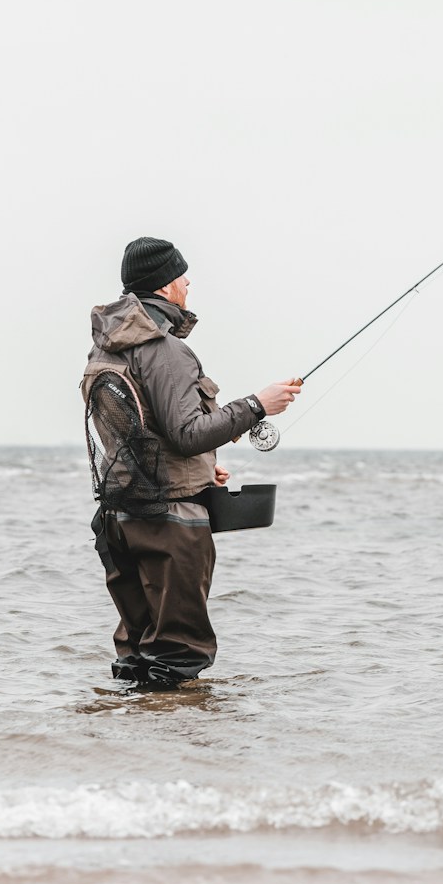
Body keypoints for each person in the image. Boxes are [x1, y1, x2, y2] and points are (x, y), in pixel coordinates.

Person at [81, 237, 300, 688]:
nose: (188, 285)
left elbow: (140, 433)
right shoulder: (165, 350)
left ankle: (124, 746)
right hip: (170, 522)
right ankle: (176, 752)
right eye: (183, 277)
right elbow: (185, 434)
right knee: (179, 654)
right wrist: (257, 404)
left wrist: (202, 468)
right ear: (165, 286)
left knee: (139, 652)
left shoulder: (108, 346)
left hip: (120, 516)